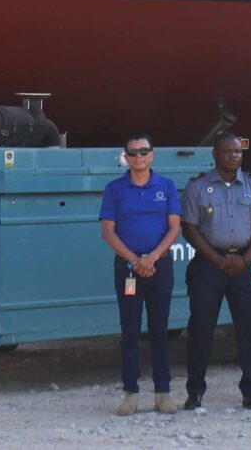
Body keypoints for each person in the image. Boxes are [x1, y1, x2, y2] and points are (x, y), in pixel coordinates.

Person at [181, 136, 251, 411]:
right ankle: (195, 392)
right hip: (209, 265)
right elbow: (189, 228)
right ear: (215, 154)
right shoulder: (198, 186)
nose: (233, 156)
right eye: (227, 151)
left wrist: (245, 259)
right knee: (201, 330)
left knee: (250, 330)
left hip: (244, 265)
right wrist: (218, 260)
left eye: (237, 151)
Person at [98, 134, 183, 416]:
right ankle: (130, 394)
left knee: (160, 331)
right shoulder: (114, 189)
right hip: (128, 269)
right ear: (126, 157)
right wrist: (136, 261)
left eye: (143, 151)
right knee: (130, 332)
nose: (138, 157)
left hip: (160, 266)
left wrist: (153, 258)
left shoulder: (167, 187)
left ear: (152, 155)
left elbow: (174, 228)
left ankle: (163, 394)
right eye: (132, 153)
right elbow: (108, 232)